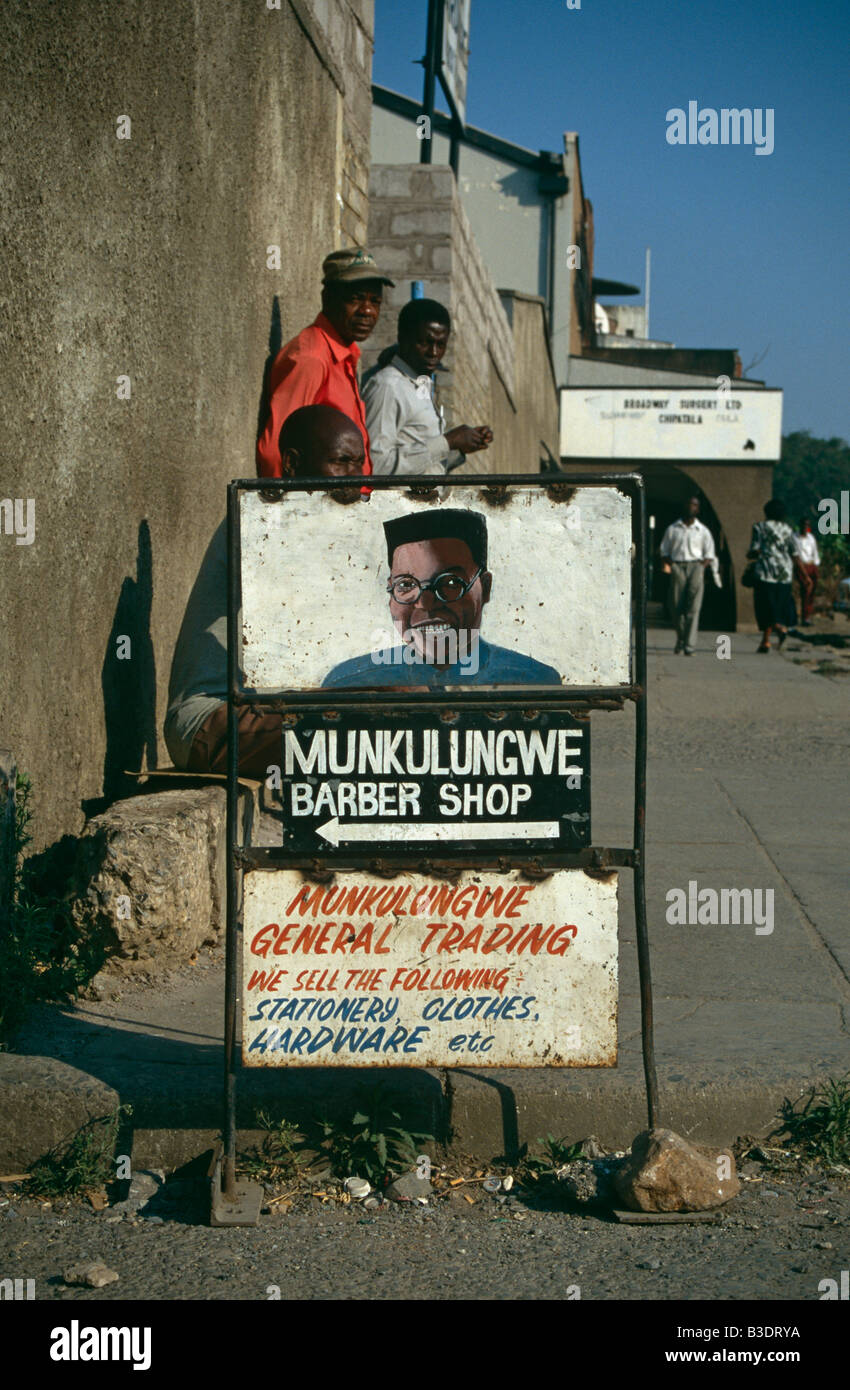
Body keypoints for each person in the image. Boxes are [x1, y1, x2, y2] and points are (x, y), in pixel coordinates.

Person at [166, 406, 365, 776]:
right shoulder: (262, 518)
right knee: (381, 716)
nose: (355, 479)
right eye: (340, 462)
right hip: (211, 722)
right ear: (291, 463)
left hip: (261, 712)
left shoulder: (315, 525)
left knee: (408, 701)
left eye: (359, 463)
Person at [322, 509, 562, 687]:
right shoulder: (352, 684)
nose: (425, 604)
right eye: (406, 585)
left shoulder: (531, 682)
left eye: (449, 583)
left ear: (485, 587)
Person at [255, 248, 394, 478]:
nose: (367, 311)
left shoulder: (345, 355)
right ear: (327, 298)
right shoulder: (312, 357)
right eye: (355, 299)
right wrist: (286, 509)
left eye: (375, 301)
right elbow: (274, 452)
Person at [362, 298, 493, 475]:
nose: (433, 353)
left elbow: (424, 466)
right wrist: (447, 442)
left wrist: (461, 445)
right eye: (424, 343)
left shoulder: (419, 384)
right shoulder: (388, 387)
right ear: (402, 338)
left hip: (424, 501)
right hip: (397, 503)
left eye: (440, 345)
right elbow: (374, 466)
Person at [659, 496, 721, 655]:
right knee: (676, 606)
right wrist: (672, 565)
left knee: (693, 607)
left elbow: (709, 553)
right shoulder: (673, 529)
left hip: (696, 565)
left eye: (694, 505)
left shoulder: (703, 531)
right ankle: (680, 638)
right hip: (678, 565)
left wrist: (701, 567)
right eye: (688, 504)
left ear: (698, 509)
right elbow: (664, 551)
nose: (691, 507)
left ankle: (689, 645)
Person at [748, 498, 798, 652]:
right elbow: (794, 552)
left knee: (765, 607)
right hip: (785, 573)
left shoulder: (759, 527)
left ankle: (777, 629)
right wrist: (803, 575)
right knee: (779, 606)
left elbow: (754, 550)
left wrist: (753, 554)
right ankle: (765, 641)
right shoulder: (788, 530)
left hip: (765, 572)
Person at [793, 517, 820, 626]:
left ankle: (808, 615)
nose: (805, 527)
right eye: (803, 525)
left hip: (812, 565)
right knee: (806, 591)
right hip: (802, 566)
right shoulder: (795, 537)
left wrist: (815, 566)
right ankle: (805, 618)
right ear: (800, 525)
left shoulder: (811, 538)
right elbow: (796, 555)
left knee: (812, 592)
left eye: (807, 525)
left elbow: (815, 552)